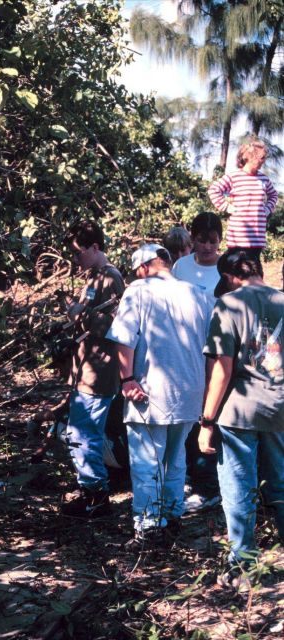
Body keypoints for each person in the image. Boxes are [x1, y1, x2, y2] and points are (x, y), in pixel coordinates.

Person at [106, 244, 212, 545]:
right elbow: (209, 349)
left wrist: (127, 379)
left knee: (146, 460)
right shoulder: (197, 293)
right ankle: (172, 514)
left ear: (143, 267)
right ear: (166, 262)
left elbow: (124, 339)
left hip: (150, 390)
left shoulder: (138, 290)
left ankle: (149, 525)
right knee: (176, 456)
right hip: (190, 389)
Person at [199, 249, 284, 590]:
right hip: (279, 407)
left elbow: (222, 368)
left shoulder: (228, 305)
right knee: (279, 484)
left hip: (239, 411)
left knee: (238, 488)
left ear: (232, 275)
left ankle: (243, 566)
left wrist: (206, 421)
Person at [61, 220, 125, 517]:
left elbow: (116, 325)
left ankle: (97, 495)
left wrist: (79, 317)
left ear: (95, 247)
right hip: (85, 370)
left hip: (99, 372)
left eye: (79, 253)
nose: (76, 260)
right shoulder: (94, 278)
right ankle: (89, 489)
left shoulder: (111, 278)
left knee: (85, 435)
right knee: (79, 432)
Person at [172, 212, 222, 512]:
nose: (206, 247)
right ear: (193, 240)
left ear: (220, 240)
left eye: (212, 241)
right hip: (187, 350)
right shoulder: (181, 267)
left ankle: (209, 485)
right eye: (201, 240)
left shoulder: (225, 268)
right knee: (189, 413)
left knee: (210, 413)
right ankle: (192, 474)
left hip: (217, 352)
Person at [208, 139, 278, 257]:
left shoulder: (264, 179)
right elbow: (213, 190)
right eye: (261, 158)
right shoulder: (234, 176)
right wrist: (227, 207)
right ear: (248, 157)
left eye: (264, 158)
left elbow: (273, 195)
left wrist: (266, 210)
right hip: (238, 238)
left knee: (253, 272)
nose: (263, 162)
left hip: (257, 239)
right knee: (235, 272)